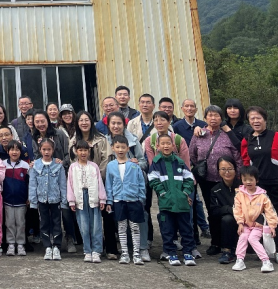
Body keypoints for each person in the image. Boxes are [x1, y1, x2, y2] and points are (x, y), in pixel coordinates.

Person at [241, 105, 278, 264]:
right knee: (259, 220)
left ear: (265, 119)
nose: (255, 121)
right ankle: (265, 251)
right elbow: (246, 164)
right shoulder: (247, 140)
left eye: (258, 118)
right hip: (258, 189)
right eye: (252, 118)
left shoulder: (276, 136)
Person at [189, 105, 242, 255]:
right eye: (210, 115)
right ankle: (216, 243)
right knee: (213, 212)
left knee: (231, 210)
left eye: (216, 115)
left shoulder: (227, 134)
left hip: (227, 180)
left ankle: (232, 242)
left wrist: (238, 176)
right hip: (207, 180)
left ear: (221, 118)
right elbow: (192, 155)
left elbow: (237, 156)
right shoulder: (199, 134)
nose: (213, 118)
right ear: (205, 118)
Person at [104, 112, 149, 261]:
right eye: (113, 123)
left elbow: (143, 163)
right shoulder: (104, 141)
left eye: (119, 123)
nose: (116, 126)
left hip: (133, 191)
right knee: (120, 225)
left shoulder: (133, 140)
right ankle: (125, 251)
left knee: (138, 222)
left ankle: (141, 249)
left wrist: (136, 163)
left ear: (124, 124)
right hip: (116, 192)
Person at [149, 135, 196, 266]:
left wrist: (184, 193)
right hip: (166, 203)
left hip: (182, 203)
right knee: (167, 229)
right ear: (158, 146)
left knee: (186, 229)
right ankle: (171, 253)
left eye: (168, 143)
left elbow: (189, 179)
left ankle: (188, 253)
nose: (166, 146)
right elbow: (152, 179)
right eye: (163, 144)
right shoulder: (156, 163)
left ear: (173, 145)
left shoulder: (179, 162)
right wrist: (162, 192)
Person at [231, 165, 278, 273]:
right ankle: (240, 260)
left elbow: (270, 211)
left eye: (251, 179)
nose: (248, 182)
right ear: (241, 180)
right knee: (243, 237)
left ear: (256, 180)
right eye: (245, 179)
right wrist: (240, 223)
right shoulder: (239, 195)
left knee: (252, 239)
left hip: (258, 225)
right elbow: (237, 209)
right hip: (245, 224)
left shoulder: (262, 196)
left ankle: (266, 261)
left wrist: (272, 226)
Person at [67, 139, 106, 263]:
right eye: (80, 150)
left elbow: (99, 183)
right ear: (76, 151)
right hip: (80, 198)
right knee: (84, 226)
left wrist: (102, 198)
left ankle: (96, 251)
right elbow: (70, 184)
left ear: (89, 151)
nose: (83, 153)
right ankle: (87, 251)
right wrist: (71, 201)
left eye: (85, 150)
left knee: (96, 226)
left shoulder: (94, 166)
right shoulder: (73, 167)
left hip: (93, 196)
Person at [29, 138, 68, 261]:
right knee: (44, 223)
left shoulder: (58, 165)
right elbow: (32, 184)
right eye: (44, 149)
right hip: (42, 200)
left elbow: (62, 184)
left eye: (49, 149)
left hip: (55, 199)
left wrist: (64, 201)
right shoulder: (35, 166)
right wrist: (33, 201)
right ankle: (47, 246)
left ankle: (56, 246)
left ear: (53, 150)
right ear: (40, 150)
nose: (46, 152)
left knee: (57, 222)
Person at [209, 156, 243, 264]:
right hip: (227, 221)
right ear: (218, 171)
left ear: (235, 170)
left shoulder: (243, 186)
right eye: (223, 169)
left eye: (230, 169)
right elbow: (214, 211)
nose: (227, 172)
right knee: (227, 219)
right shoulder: (215, 190)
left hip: (245, 219)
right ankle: (227, 251)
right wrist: (229, 209)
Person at [2, 141, 30, 256]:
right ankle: (11, 244)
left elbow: (29, 183)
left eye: (17, 150)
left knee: (21, 223)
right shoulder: (3, 164)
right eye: (12, 149)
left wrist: (29, 197)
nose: (14, 152)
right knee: (9, 223)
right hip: (7, 200)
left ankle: (20, 244)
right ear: (7, 151)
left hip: (21, 201)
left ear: (20, 152)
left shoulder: (25, 166)